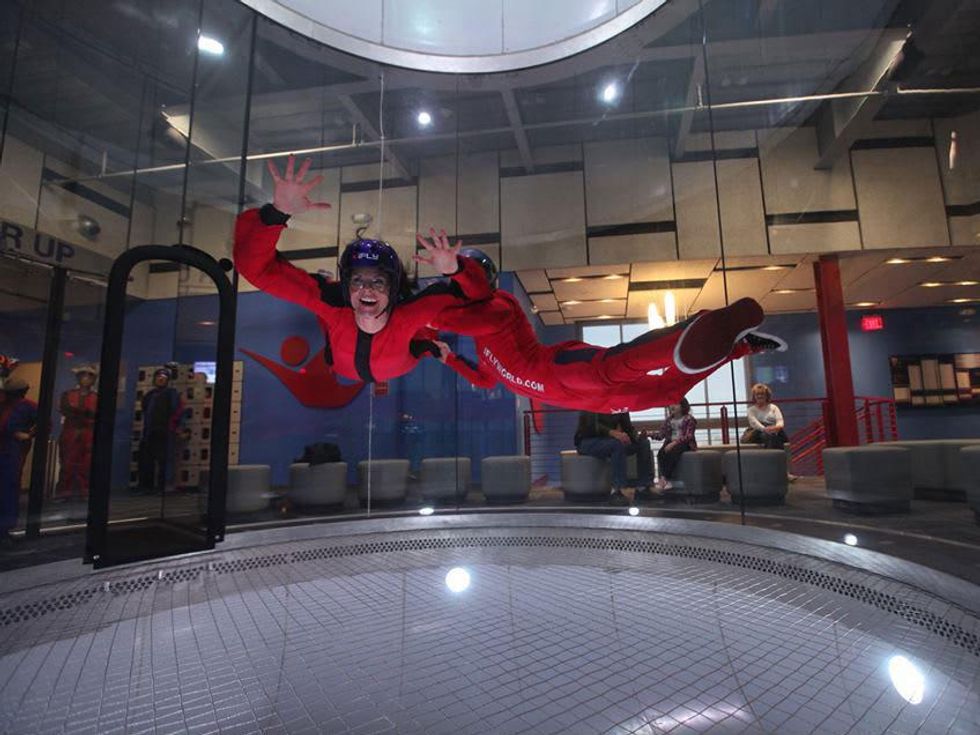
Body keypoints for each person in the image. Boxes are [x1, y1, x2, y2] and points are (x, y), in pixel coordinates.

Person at [233, 155, 493, 384]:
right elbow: (256, 269)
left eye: (378, 281)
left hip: (402, 358)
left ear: (392, 287)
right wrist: (277, 213)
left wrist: (456, 269)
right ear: (346, 284)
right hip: (344, 361)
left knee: (429, 339)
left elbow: (480, 303)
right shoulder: (329, 303)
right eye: (358, 280)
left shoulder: (415, 315)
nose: (367, 288)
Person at [425, 249, 787, 413]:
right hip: (582, 402)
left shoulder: (499, 307)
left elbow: (464, 316)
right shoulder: (479, 343)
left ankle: (695, 325)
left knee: (612, 368)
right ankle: (741, 347)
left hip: (560, 369)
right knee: (667, 392)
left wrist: (422, 316)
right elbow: (488, 380)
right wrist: (450, 358)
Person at [574, 411, 655, 505]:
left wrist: (637, 437)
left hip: (609, 440)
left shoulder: (621, 404)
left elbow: (627, 427)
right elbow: (590, 425)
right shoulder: (593, 399)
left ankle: (643, 488)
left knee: (643, 443)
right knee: (616, 445)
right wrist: (612, 433)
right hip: (587, 441)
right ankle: (617, 491)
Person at [137, 367, 188, 496]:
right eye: (158, 377)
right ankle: (146, 487)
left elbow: (179, 412)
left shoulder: (172, 394)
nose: (161, 379)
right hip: (150, 432)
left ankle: (164, 486)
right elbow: (145, 411)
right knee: (147, 461)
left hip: (166, 432)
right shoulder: (150, 395)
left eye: (164, 378)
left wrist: (179, 428)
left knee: (165, 461)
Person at [0, 378, 37, 548]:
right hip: (7, 448)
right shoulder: (4, 405)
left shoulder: (28, 406)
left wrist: (27, 435)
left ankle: (5, 528)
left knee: (9, 486)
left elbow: (43, 423)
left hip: (11, 450)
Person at [55, 364, 98, 501]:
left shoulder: (96, 397)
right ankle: (64, 492)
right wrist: (84, 414)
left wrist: (82, 414)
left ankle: (84, 492)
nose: (86, 379)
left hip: (88, 434)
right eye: (83, 376)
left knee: (86, 464)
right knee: (67, 463)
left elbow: (96, 414)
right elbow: (66, 410)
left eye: (89, 376)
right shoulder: (67, 395)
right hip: (71, 433)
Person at [651, 398, 697, 490]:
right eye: (671, 404)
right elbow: (661, 435)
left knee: (673, 452)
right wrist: (649, 434)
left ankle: (666, 479)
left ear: (683, 406)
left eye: (675, 404)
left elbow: (689, 436)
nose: (672, 406)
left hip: (684, 443)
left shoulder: (689, 419)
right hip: (670, 442)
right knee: (661, 453)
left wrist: (674, 443)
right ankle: (664, 479)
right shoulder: (669, 420)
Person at [744, 383, 788, 450]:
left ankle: (776, 456)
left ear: (766, 396)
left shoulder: (774, 407)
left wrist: (775, 428)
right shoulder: (751, 410)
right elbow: (755, 424)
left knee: (775, 436)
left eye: (762, 394)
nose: (760, 396)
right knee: (769, 436)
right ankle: (773, 456)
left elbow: (780, 422)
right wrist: (765, 429)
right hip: (758, 432)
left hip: (774, 430)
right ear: (754, 396)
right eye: (757, 394)